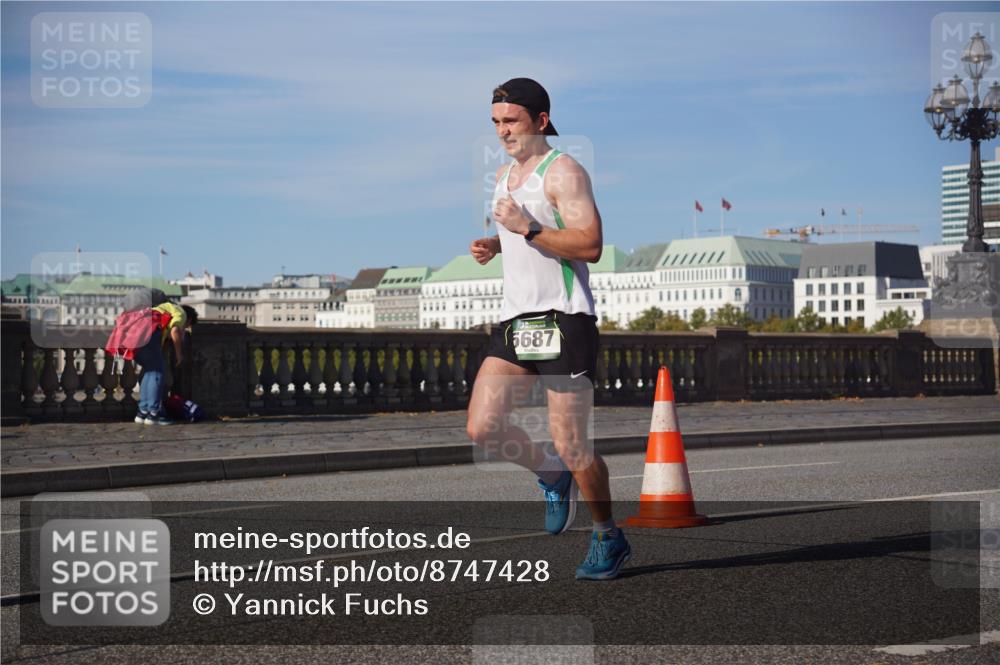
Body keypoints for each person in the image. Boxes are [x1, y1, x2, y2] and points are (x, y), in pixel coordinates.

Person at [466, 78, 631, 580]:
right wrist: (498, 244)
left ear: (540, 120)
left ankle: (609, 536)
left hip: (565, 319)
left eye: (510, 121)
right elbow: (520, 234)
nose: (502, 132)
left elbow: (590, 244)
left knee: (573, 441)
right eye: (495, 123)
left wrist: (528, 229)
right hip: (517, 319)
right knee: (483, 426)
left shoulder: (565, 172)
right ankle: (552, 476)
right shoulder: (503, 176)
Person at [132, 302, 197, 425]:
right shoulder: (180, 312)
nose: (185, 328)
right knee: (157, 373)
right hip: (149, 335)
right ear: (188, 319)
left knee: (149, 372)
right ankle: (153, 413)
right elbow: (175, 330)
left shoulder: (164, 308)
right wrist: (179, 353)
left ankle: (143, 412)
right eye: (187, 326)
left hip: (136, 335)